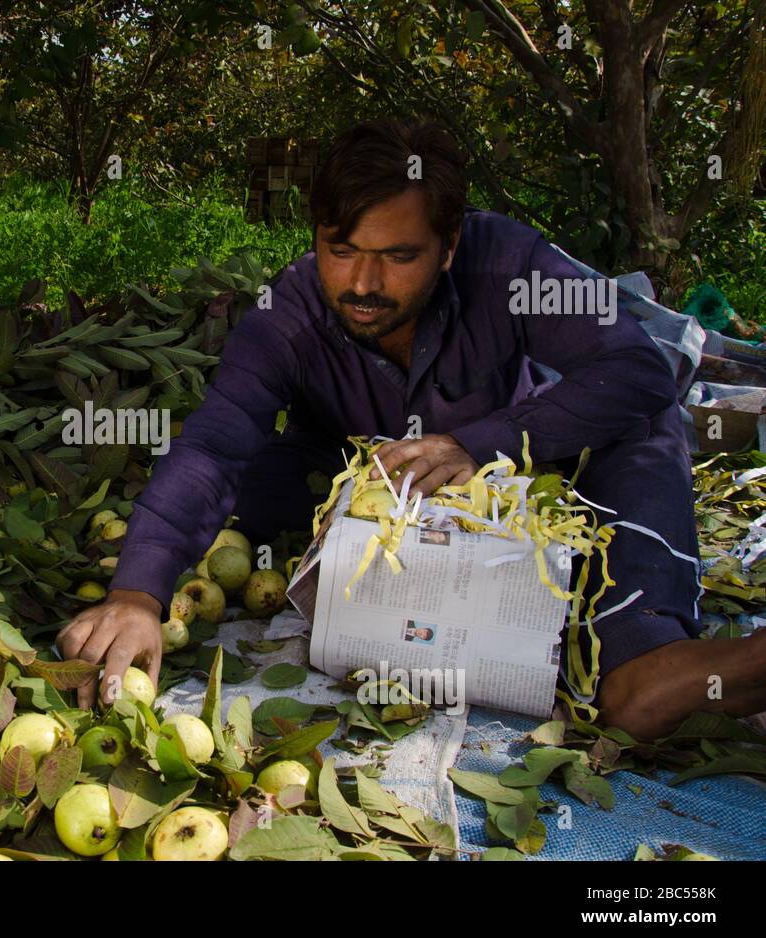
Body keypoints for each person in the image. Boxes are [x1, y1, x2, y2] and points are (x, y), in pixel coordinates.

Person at [56, 117, 766, 740]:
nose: (363, 282)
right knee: (242, 478)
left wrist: (479, 445)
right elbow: (218, 439)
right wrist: (138, 592)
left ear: (448, 246)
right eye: (341, 249)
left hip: (516, 481)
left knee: (637, 417)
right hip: (374, 494)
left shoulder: (506, 263)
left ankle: (648, 656)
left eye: (399, 256)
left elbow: (637, 367)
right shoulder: (289, 313)